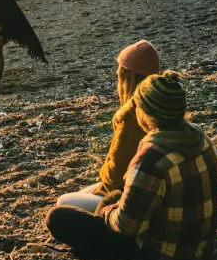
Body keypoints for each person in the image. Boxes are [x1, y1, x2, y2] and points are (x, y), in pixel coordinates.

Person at [44, 71, 217, 260]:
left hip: (162, 256)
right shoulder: (201, 138)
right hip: (202, 248)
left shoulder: (153, 157)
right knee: (112, 198)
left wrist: (107, 209)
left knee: (57, 217)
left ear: (146, 113)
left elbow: (126, 226)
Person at [56, 40, 162, 212]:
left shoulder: (131, 120)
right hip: (144, 184)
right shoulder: (162, 106)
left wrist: (104, 168)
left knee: (63, 202)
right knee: (81, 192)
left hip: (127, 195)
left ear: (127, 79)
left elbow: (114, 180)